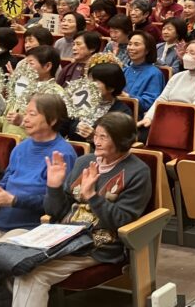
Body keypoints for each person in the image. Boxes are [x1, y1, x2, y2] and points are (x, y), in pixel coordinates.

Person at [15, 112, 151, 305]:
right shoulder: (84, 162)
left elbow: (122, 221)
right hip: (63, 237)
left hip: (97, 245)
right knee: (10, 262)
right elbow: (55, 211)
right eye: (96, 135)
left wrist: (92, 196)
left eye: (104, 137)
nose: (97, 141)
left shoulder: (138, 172)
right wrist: (53, 187)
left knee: (32, 275)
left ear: (122, 141)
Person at [0, 94, 78, 236]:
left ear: (52, 120)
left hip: (31, 227)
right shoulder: (21, 147)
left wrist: (15, 200)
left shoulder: (62, 154)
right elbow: (7, 179)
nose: (25, 119)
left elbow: (58, 203)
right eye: (25, 113)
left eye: (32, 114)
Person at [139, 39, 195, 143]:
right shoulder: (177, 76)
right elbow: (162, 99)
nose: (187, 56)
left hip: (188, 124)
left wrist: (169, 120)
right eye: (186, 52)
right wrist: (149, 118)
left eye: (192, 53)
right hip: (166, 120)